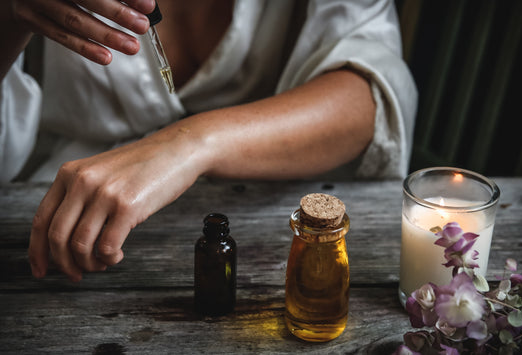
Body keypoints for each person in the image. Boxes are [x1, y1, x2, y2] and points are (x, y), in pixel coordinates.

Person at [0, 0, 417, 282]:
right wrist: (9, 16)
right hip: (55, 229)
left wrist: (190, 143)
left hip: (259, 231)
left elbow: (369, 91)